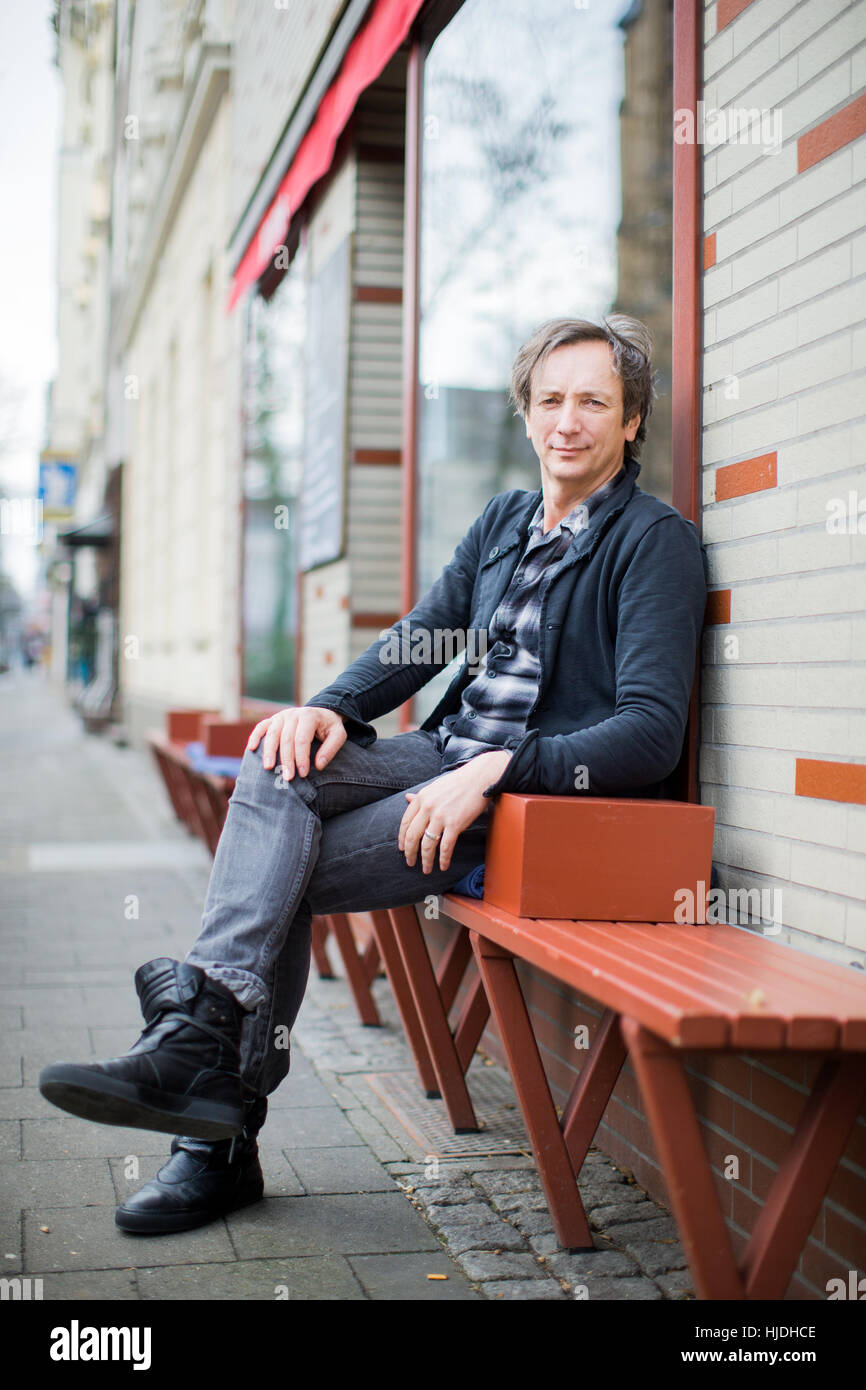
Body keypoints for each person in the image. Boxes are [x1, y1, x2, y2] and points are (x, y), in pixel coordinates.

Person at [39, 314, 707, 1234]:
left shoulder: (653, 541)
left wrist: (500, 770)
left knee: (273, 868)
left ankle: (211, 1128)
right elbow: (421, 639)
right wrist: (327, 706)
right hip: (438, 758)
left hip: (521, 810)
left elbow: (650, 734)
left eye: (595, 401)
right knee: (280, 759)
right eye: (550, 399)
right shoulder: (507, 521)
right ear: (525, 414)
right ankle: (210, 1035)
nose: (569, 420)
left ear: (632, 421)